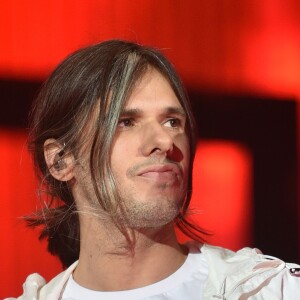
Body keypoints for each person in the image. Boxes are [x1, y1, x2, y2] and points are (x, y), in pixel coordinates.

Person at [7, 40, 300, 300]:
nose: (164, 141)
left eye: (172, 121)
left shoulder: (271, 291)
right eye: (126, 121)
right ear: (61, 160)